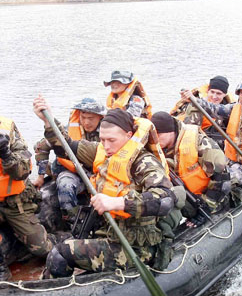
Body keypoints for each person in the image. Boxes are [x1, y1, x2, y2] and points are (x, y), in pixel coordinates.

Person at [33, 97, 175, 278]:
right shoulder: (104, 150)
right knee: (56, 244)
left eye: (111, 140)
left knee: (59, 254)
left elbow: (165, 200)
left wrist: (118, 203)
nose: (106, 146)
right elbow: (66, 147)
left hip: (134, 245)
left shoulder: (144, 163)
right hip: (108, 231)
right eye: (102, 140)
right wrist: (48, 121)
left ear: (128, 136)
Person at [0, 109, 51, 281]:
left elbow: (23, 171)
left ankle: (55, 239)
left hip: (16, 202)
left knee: (41, 249)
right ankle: (0, 269)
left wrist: (6, 155)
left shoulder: (8, 132)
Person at [33, 97, 105, 222]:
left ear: (100, 117)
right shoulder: (66, 132)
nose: (87, 122)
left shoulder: (109, 133)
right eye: (83, 117)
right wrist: (40, 176)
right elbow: (42, 147)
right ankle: (72, 219)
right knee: (66, 185)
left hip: (99, 173)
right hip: (73, 172)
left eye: (91, 118)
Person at [150, 111, 231, 216]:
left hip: (211, 197)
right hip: (183, 195)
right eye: (153, 135)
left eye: (158, 135)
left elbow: (222, 180)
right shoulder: (156, 147)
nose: (154, 139)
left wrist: (208, 206)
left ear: (171, 132)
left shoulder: (200, 143)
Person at [170, 75, 232, 147]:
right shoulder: (192, 104)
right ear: (207, 91)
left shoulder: (228, 108)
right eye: (212, 92)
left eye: (219, 93)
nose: (214, 96)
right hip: (192, 141)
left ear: (225, 94)